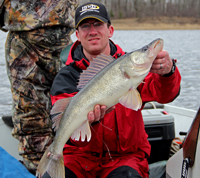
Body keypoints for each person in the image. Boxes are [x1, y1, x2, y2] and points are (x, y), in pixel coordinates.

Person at [50, 2, 181, 178]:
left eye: (98, 24)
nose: (92, 31)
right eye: (85, 26)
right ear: (77, 35)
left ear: (110, 30)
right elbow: (67, 127)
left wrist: (168, 72)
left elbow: (166, 95)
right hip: (79, 159)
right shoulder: (66, 77)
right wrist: (90, 121)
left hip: (124, 158)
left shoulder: (131, 70)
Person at [0, 0, 78, 175]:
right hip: (24, 37)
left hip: (62, 35)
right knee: (31, 118)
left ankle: (71, 168)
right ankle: (42, 171)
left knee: (73, 107)